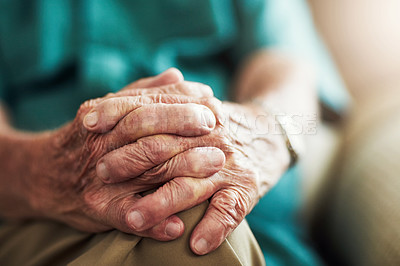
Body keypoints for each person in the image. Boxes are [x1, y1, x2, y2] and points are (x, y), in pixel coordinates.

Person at [0, 0, 349, 265]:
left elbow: (288, 70)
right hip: (47, 227)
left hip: (259, 231)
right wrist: (51, 171)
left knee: (193, 206)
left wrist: (260, 135)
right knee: (179, 220)